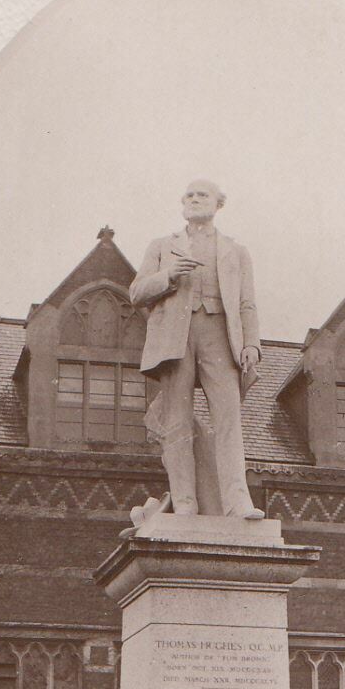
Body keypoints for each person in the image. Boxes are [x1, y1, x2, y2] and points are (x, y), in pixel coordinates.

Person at [130, 180, 264, 518]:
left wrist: (251, 344)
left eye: (201, 194)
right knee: (177, 422)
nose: (193, 199)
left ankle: (237, 502)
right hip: (176, 338)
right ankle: (185, 502)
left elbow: (247, 303)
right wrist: (169, 275)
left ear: (218, 203)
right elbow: (136, 292)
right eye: (188, 195)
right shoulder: (162, 246)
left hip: (220, 336)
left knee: (229, 419)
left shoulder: (236, 250)